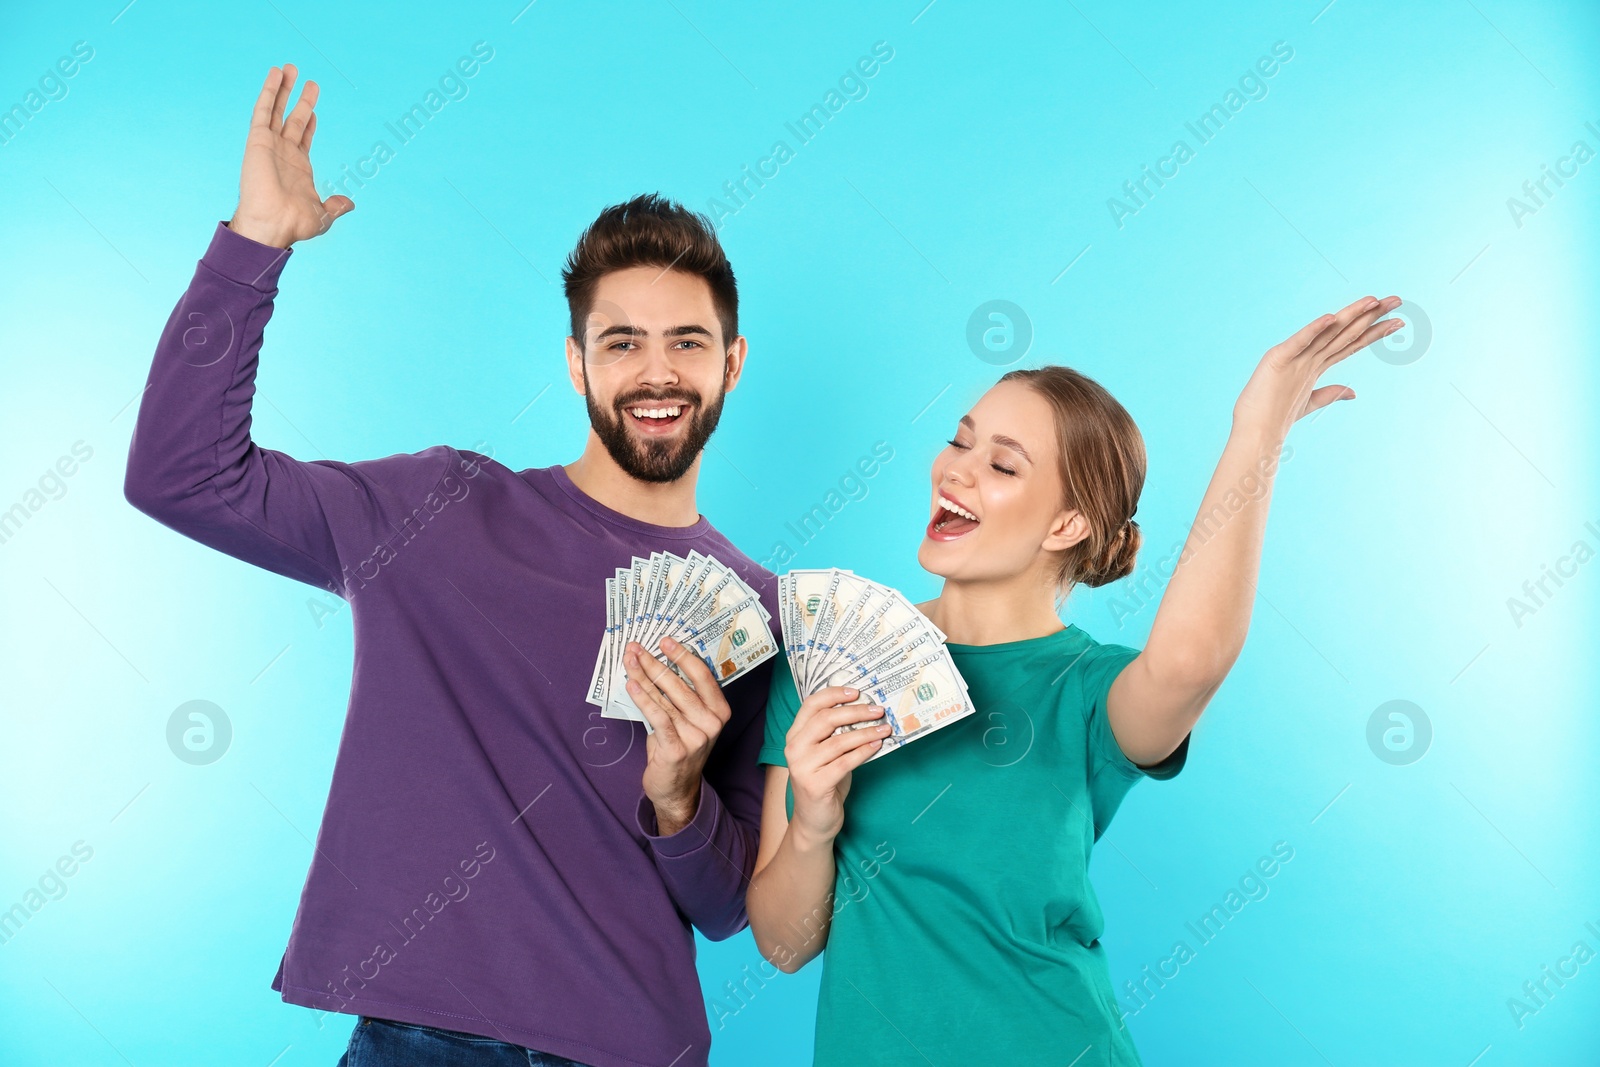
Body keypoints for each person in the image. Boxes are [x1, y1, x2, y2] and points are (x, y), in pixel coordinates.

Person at [123, 63, 778, 1067]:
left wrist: (680, 791)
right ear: (577, 363)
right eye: (622, 342)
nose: (657, 372)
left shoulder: (757, 609)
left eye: (687, 342)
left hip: (631, 1045)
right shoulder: (436, 508)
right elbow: (181, 477)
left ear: (731, 361)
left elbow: (730, 907)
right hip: (420, 1042)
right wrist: (252, 244)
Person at [737, 300, 1404, 1065]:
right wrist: (816, 820)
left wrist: (1258, 431)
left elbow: (1188, 665)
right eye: (960, 439)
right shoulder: (828, 657)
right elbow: (785, 944)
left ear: (1065, 525)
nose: (955, 467)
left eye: (1002, 463)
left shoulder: (1088, 692)